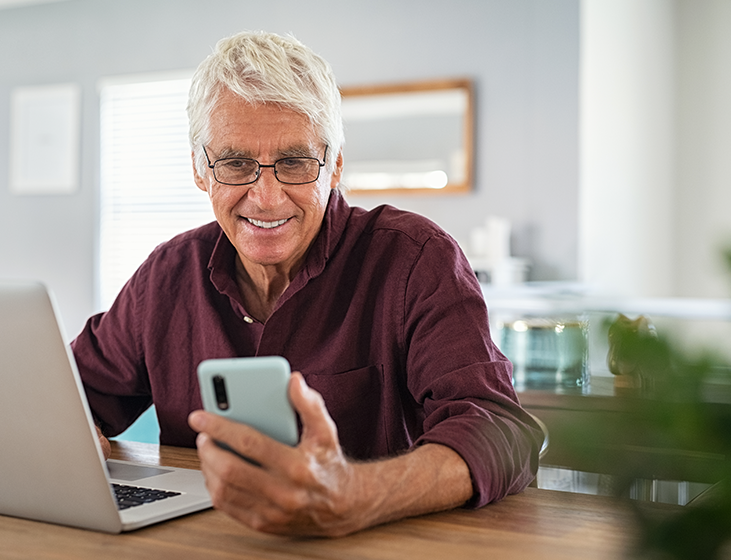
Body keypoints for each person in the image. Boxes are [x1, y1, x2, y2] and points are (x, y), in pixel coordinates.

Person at [72, 30, 542, 537]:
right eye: (235, 164)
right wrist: (64, 434)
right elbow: (68, 394)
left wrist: (354, 494)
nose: (267, 198)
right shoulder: (166, 276)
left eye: (295, 162)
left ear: (335, 163)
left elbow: (503, 431)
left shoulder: (414, 259)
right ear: (199, 169)